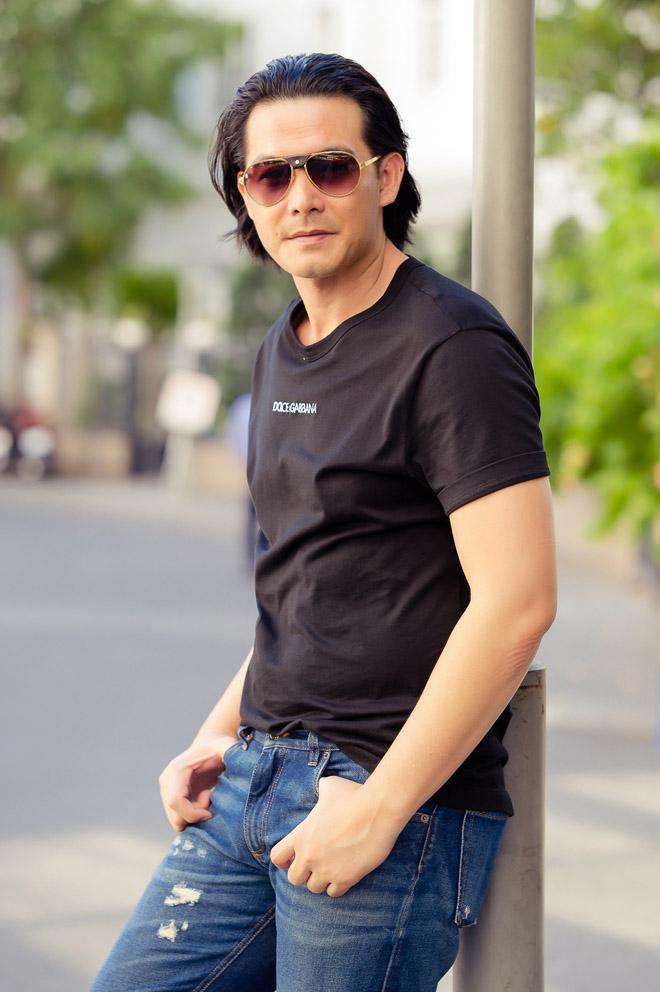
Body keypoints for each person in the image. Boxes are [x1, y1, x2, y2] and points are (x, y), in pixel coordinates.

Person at [91, 52, 557, 992]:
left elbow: (518, 601)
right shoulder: (281, 345)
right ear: (245, 196)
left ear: (386, 177)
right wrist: (215, 734)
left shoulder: (452, 345)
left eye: (330, 167)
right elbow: (308, 583)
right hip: (254, 777)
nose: (299, 195)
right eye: (270, 175)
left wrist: (380, 807)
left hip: (384, 794)